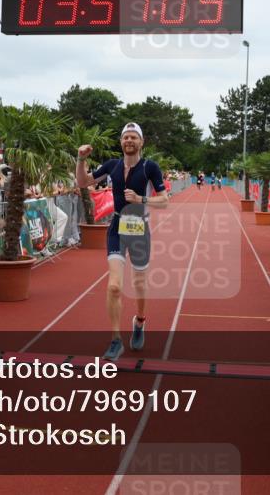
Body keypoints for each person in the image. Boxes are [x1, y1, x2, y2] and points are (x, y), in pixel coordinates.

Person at [76, 122, 168, 361]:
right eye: (126, 137)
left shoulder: (150, 167)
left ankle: (139, 320)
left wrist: (140, 199)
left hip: (139, 227)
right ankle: (116, 340)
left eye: (133, 137)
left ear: (141, 142)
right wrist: (80, 160)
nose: (129, 141)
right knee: (115, 286)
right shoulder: (112, 165)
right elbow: (83, 183)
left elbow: (165, 200)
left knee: (138, 282)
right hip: (117, 226)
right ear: (121, 142)